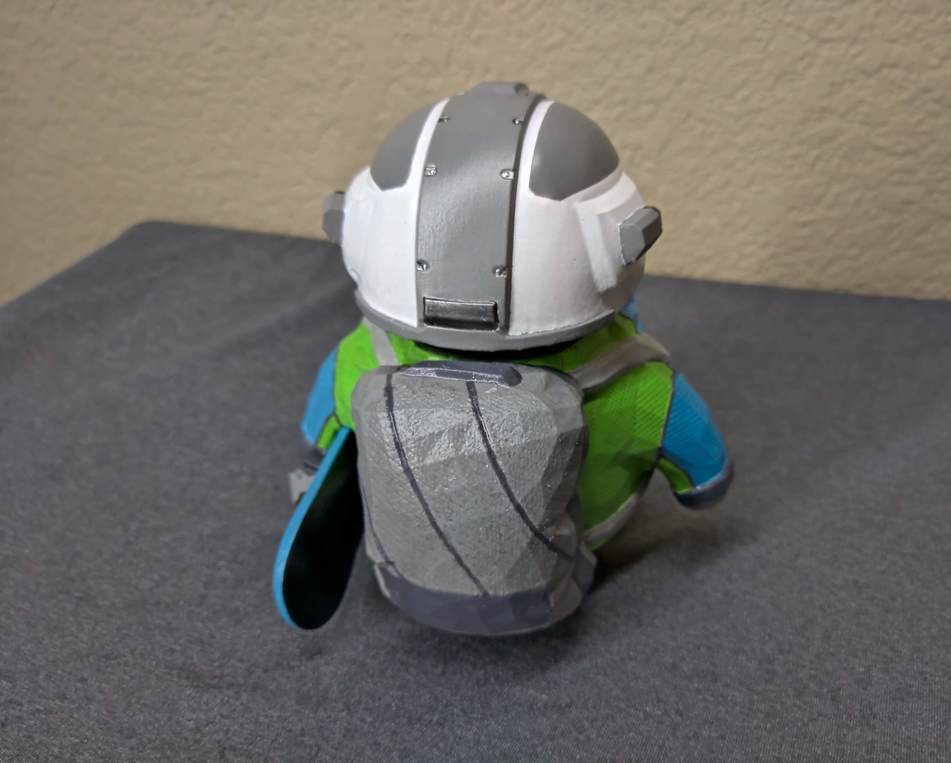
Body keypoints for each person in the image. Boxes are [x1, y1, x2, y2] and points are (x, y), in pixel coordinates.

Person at [274, 82, 733, 636]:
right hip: (585, 542)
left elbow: (320, 437)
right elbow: (705, 477)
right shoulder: (643, 386)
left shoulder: (361, 357)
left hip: (403, 556)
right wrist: (704, 483)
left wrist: (317, 465)